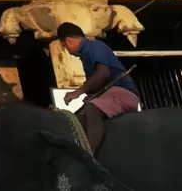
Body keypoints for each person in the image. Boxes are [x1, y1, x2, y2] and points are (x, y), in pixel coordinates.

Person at [58, 21, 140, 154]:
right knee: (78, 118)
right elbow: (98, 83)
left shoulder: (93, 46)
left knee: (91, 108)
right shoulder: (86, 53)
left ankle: (89, 156)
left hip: (122, 92)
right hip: (111, 93)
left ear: (67, 42)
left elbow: (103, 74)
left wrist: (77, 92)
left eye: (64, 47)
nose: (67, 50)